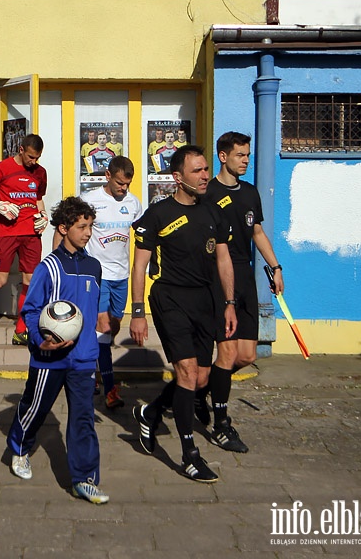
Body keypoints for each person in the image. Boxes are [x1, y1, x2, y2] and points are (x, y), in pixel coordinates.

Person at [129, 144, 237, 483]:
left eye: (206, 169)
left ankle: (151, 411)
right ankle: (190, 454)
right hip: (169, 298)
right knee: (188, 373)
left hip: (206, 301)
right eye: (197, 171)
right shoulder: (157, 215)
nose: (205, 176)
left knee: (200, 378)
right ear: (178, 177)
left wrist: (230, 303)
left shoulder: (213, 213)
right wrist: (137, 311)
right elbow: (140, 266)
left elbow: (223, 259)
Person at [6, 196, 109, 504]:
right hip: (49, 357)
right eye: (81, 227)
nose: (88, 233)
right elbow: (31, 309)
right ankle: (20, 449)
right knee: (35, 409)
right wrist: (41, 340)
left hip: (83, 358)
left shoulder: (94, 266)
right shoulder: (48, 268)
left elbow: (94, 308)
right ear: (63, 228)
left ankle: (85, 479)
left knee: (83, 418)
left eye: (90, 226)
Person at [195, 131, 285, 453]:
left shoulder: (249, 193)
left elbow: (257, 232)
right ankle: (221, 424)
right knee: (228, 353)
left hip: (245, 277)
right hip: (220, 279)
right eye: (240, 155)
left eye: (247, 155)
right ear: (223, 156)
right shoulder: (208, 192)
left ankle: (201, 391)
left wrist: (276, 267)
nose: (246, 160)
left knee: (246, 356)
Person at [79, 156, 142, 409]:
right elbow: (75, 229)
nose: (123, 188)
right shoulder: (91, 200)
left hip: (122, 275)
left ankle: (92, 365)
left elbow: (142, 234)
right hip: (98, 274)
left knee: (113, 326)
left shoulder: (133, 203)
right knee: (104, 328)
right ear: (107, 175)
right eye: (119, 183)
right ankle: (110, 389)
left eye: (127, 184)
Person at [0, 134, 48, 346]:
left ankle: (21, 330)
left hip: (31, 233)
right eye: (31, 157)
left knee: (30, 281)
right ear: (21, 150)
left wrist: (43, 216)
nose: (34, 162)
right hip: (6, 232)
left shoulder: (40, 173)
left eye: (38, 158)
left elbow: (38, 199)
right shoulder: (2, 168)